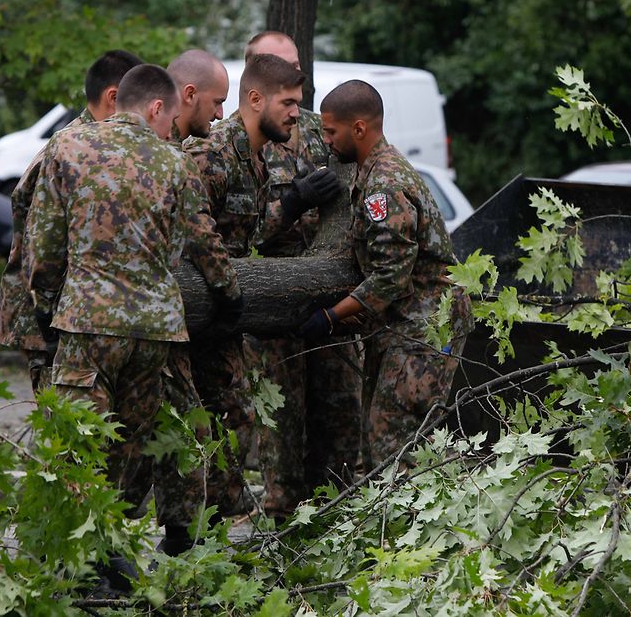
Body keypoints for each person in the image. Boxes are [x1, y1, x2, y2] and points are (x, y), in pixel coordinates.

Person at [24, 64, 230, 566]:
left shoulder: (66, 150)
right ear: (156, 108)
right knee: (128, 445)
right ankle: (113, 549)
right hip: (155, 332)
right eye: (171, 119)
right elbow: (186, 244)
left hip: (87, 322)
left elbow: (45, 247)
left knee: (81, 444)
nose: (170, 130)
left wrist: (47, 308)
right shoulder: (175, 164)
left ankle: (84, 558)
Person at [185, 52, 340, 516]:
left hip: (220, 316)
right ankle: (185, 528)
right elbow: (190, 228)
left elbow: (245, 237)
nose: (297, 113)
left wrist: (291, 204)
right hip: (191, 312)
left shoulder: (253, 160)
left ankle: (216, 526)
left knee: (235, 416)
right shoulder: (210, 154)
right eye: (289, 103)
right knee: (198, 425)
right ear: (255, 99)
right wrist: (225, 287)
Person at [303, 79, 473, 470]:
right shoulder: (370, 171)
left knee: (396, 437)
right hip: (404, 322)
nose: (326, 140)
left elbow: (390, 277)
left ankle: (418, 526)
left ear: (359, 128)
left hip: (427, 324)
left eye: (331, 131)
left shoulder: (385, 184)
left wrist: (331, 316)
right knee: (384, 436)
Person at [240, 31, 361, 519]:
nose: (294, 80)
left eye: (297, 70)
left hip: (331, 304)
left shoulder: (320, 130)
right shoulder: (240, 141)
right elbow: (232, 236)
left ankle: (338, 520)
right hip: (272, 308)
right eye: (279, 68)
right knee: (281, 429)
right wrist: (288, 205)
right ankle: (282, 527)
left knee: (339, 417)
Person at [0, 49, 140, 393]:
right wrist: (49, 316)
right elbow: (39, 251)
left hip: (77, 317)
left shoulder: (102, 149)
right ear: (114, 99)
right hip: (50, 322)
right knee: (65, 434)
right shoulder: (65, 153)